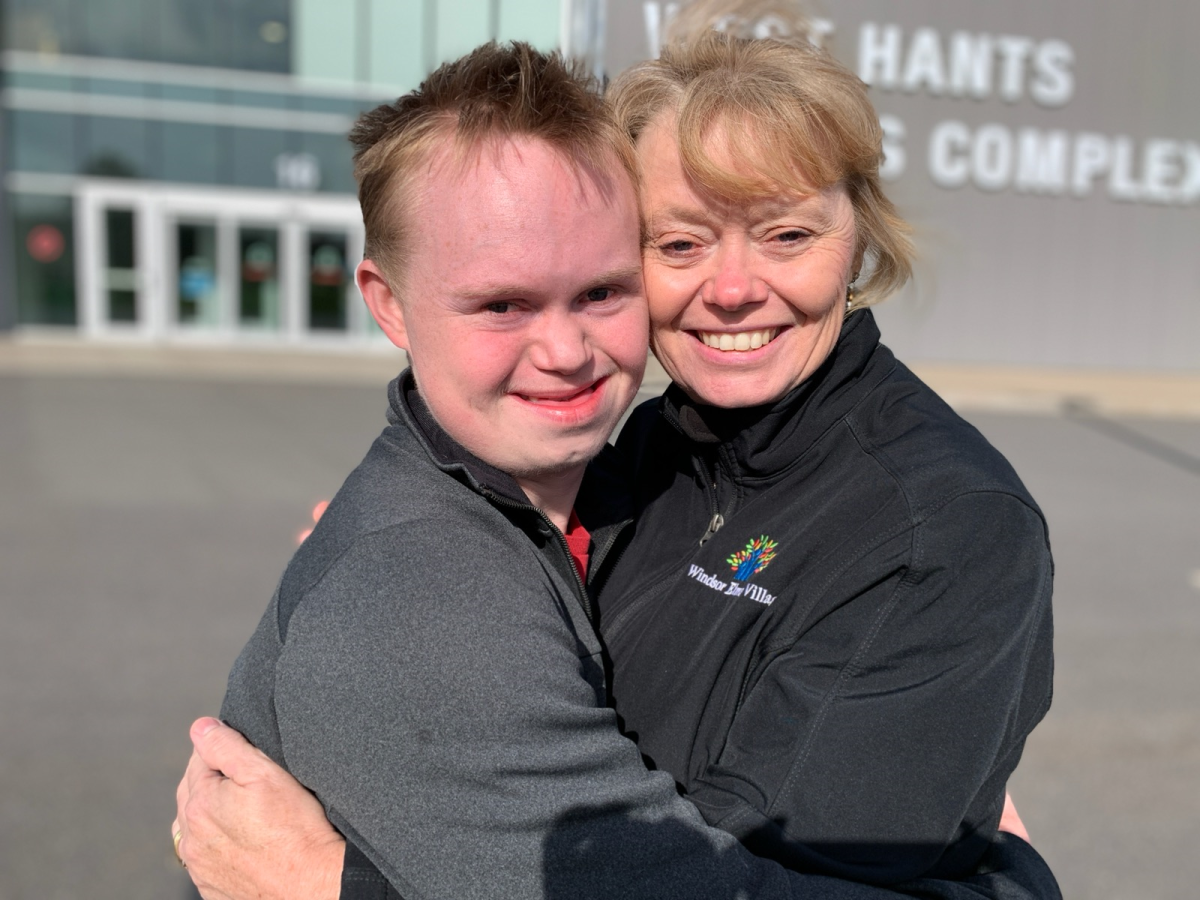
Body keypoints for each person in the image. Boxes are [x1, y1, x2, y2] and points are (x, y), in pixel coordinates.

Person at [173, 38, 1058, 900]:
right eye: (680, 245)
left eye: (787, 235)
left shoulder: (938, 524)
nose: (735, 286)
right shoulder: (639, 455)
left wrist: (330, 886)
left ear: (857, 241)